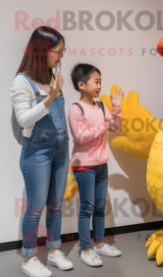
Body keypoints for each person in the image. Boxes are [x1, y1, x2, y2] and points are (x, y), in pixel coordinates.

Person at [10, 26, 73, 277]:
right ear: (41, 52)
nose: (61, 56)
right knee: (36, 207)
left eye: (62, 51)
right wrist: (50, 97)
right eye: (58, 51)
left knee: (56, 204)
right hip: (36, 151)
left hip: (60, 147)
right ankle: (29, 258)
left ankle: (54, 250)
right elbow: (24, 120)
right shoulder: (22, 81)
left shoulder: (52, 77)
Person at [68, 63, 123, 267]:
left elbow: (116, 128)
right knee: (87, 208)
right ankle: (86, 249)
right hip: (84, 166)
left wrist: (116, 107)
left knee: (100, 207)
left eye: (101, 82)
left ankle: (99, 244)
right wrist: (103, 126)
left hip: (101, 165)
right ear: (81, 85)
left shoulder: (101, 106)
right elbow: (80, 137)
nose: (100, 86)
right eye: (96, 82)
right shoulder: (76, 109)